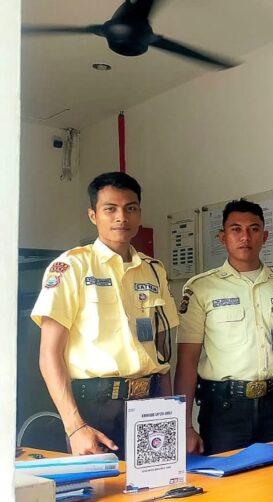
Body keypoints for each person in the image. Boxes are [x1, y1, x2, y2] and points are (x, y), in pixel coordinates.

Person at [31, 172, 179, 460]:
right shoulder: (72, 267)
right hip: (95, 409)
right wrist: (75, 427)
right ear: (93, 215)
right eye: (110, 209)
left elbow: (161, 354)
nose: (121, 217)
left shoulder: (153, 270)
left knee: (158, 484)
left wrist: (168, 412)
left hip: (150, 403)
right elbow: (49, 355)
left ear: (139, 213)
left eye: (130, 208)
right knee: (103, 486)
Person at [174, 199, 273, 455]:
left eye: (253, 229)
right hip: (224, 409)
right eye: (236, 229)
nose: (245, 237)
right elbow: (187, 361)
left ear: (264, 236)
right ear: (222, 237)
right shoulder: (200, 288)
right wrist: (184, 426)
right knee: (228, 478)